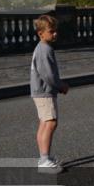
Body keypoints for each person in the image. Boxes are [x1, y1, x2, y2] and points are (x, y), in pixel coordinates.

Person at [30, 14, 70, 173]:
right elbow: (48, 75)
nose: (55, 34)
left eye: (55, 31)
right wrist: (61, 86)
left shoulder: (42, 48)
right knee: (51, 122)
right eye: (51, 31)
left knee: (44, 123)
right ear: (41, 33)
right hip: (45, 92)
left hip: (39, 91)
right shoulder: (45, 49)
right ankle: (44, 160)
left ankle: (43, 157)